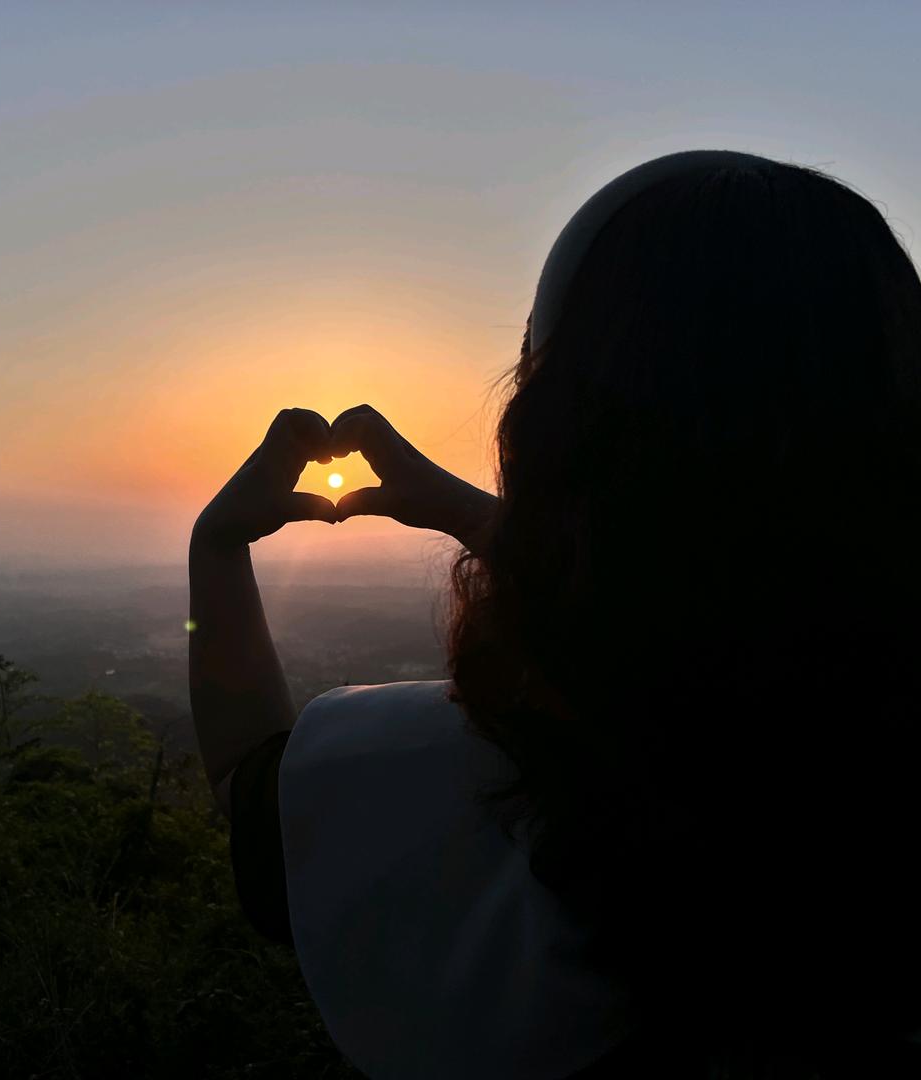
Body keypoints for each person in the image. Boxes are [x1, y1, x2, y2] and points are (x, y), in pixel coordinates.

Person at [188, 149, 921, 1078]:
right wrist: (471, 516)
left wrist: (216, 550)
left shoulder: (487, 801)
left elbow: (255, 790)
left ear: (556, 431)